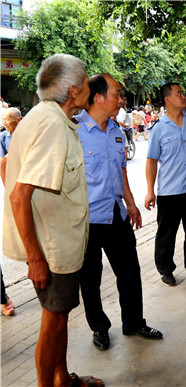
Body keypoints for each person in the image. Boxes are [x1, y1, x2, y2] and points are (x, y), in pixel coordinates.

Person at [3, 54, 104, 387]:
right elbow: (19, 195)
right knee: (54, 323)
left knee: (59, 319)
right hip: (51, 250)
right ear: (74, 91)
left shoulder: (44, 117)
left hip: (58, 244)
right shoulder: (52, 126)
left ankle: (62, 379)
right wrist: (35, 257)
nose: (91, 86)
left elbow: (6, 167)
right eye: (88, 81)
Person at [76, 73, 163, 352]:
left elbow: (121, 171)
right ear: (98, 97)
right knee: (91, 277)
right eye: (116, 93)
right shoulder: (74, 132)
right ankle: (99, 328)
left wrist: (131, 203)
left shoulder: (115, 129)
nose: (121, 99)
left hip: (116, 214)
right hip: (87, 220)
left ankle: (134, 322)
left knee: (129, 271)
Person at [145, 82, 186, 286]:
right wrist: (149, 191)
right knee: (166, 234)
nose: (183, 96)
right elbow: (151, 161)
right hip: (169, 191)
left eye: (183, 93)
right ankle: (166, 269)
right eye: (179, 94)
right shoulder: (159, 129)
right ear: (168, 100)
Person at [1, 107, 22, 316]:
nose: (6, 122)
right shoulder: (3, 138)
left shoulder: (27, 134)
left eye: (9, 119)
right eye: (4, 120)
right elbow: (2, 164)